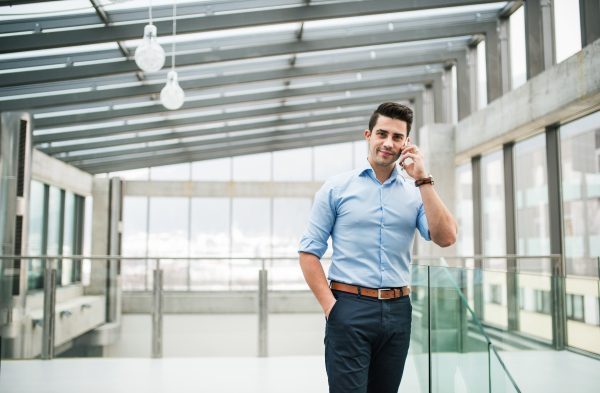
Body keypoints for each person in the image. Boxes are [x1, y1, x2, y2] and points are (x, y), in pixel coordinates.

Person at [298, 102, 457, 393]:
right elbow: (309, 252)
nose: (388, 143)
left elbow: (446, 237)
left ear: (406, 144)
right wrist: (331, 308)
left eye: (397, 137)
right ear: (368, 135)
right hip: (348, 308)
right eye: (382, 134)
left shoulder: (415, 192)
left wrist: (423, 179)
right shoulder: (336, 189)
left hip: (398, 312)